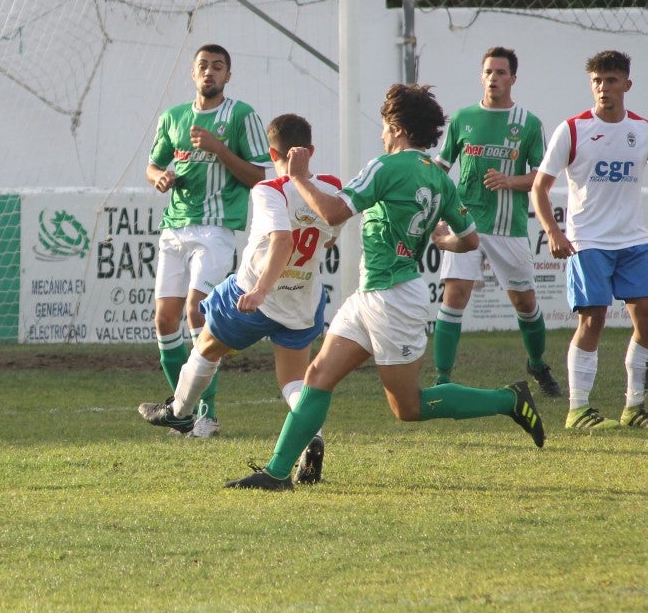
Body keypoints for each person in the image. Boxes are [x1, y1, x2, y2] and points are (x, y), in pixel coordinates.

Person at [226, 83, 545, 492]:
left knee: (408, 407)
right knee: (318, 375)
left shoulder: (386, 166)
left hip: (394, 299)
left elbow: (334, 211)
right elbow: (469, 240)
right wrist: (439, 238)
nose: (380, 134)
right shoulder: (438, 176)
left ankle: (509, 399)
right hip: (373, 293)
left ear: (396, 127)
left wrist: (299, 177)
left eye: (383, 126)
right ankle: (275, 473)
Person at [138, 114, 340, 483]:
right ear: (310, 151)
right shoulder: (331, 186)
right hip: (302, 302)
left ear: (270, 151)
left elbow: (283, 240)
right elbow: (331, 232)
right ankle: (312, 436)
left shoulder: (268, 190)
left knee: (204, 349)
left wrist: (260, 290)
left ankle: (180, 411)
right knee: (295, 383)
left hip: (254, 295)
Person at [145, 44, 272, 437]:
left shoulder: (241, 115)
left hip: (216, 229)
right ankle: (181, 412)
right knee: (164, 320)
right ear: (192, 72)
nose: (210, 73)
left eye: (218, 67)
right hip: (175, 227)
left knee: (196, 314)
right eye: (203, 66)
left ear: (228, 76)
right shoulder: (173, 117)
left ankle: (208, 413)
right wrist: (159, 178)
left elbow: (260, 176)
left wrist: (219, 149)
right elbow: (153, 164)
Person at [431, 47, 559, 395]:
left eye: (501, 72)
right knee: (455, 294)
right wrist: (436, 216)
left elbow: (542, 176)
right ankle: (443, 377)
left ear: (513, 78)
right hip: (465, 220)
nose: (494, 78)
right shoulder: (462, 118)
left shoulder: (528, 123)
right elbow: (440, 171)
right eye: (489, 71)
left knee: (525, 303)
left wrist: (509, 181)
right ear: (481, 76)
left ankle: (536, 364)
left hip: (508, 226)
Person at [532, 49, 648, 430]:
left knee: (645, 318)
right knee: (593, 319)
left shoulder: (642, 130)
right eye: (597, 81)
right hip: (589, 242)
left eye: (611, 80)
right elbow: (540, 188)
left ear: (627, 85)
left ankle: (634, 406)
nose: (603, 88)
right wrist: (553, 231)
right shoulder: (573, 129)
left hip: (634, 241)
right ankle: (578, 409)